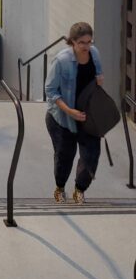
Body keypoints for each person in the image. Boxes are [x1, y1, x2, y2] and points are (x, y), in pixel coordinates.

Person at [45, 22, 104, 204]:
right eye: (82, 43)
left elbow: (98, 77)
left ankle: (79, 189)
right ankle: (59, 188)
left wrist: (99, 81)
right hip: (63, 119)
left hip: (88, 116)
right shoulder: (62, 61)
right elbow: (51, 91)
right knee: (64, 157)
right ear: (72, 42)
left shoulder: (94, 54)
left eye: (89, 42)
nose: (86, 46)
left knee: (91, 157)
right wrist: (70, 111)